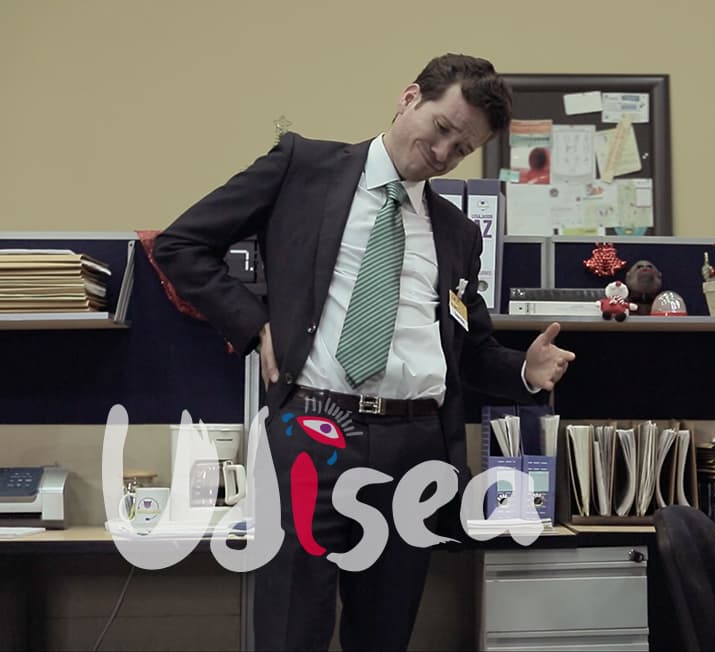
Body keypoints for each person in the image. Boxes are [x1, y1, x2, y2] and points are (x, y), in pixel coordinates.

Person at [153, 53, 575, 651]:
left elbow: (467, 350)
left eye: (462, 149)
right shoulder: (303, 167)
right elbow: (180, 246)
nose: (443, 153)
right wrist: (255, 326)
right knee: (291, 628)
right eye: (442, 128)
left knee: (384, 632)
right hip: (313, 431)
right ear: (409, 98)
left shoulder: (457, 232)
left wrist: (525, 371)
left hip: (416, 448)